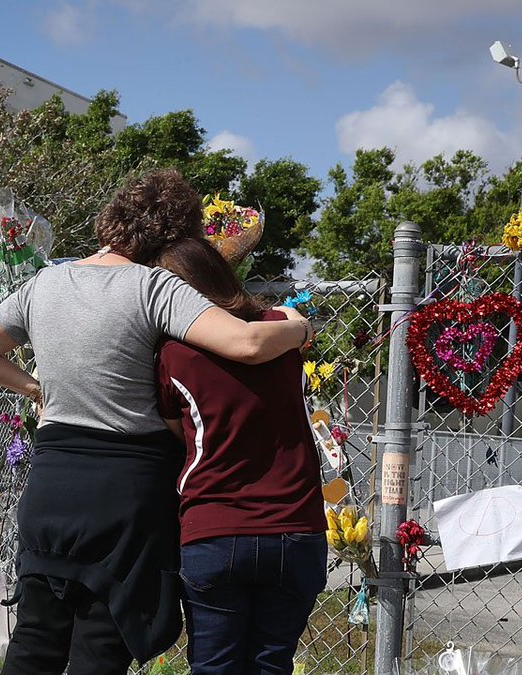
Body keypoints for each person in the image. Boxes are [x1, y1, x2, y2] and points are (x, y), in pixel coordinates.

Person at [0, 169, 312, 675]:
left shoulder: (45, 283)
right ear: (174, 235)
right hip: (125, 490)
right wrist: (297, 328)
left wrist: (37, 389)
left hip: (52, 481)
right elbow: (246, 344)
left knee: (36, 636)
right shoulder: (154, 286)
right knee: (101, 640)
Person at [154, 237, 328, 675]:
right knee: (272, 664)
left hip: (215, 526)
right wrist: (296, 323)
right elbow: (294, 321)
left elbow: (181, 434)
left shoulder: (172, 354)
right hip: (295, 525)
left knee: (214, 666)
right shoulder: (282, 333)